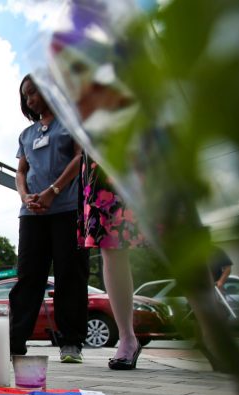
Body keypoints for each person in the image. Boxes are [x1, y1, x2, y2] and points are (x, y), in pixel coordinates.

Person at [9, 74, 89, 363]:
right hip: (32, 214)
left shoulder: (70, 123)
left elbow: (80, 157)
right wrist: (25, 196)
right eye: (25, 96)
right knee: (29, 276)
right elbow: (20, 172)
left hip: (66, 209)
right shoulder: (27, 134)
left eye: (33, 92)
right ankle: (14, 340)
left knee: (70, 274)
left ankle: (71, 343)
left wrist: (53, 191)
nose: (29, 99)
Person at [78, 156, 145, 369]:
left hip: (151, 144)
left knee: (177, 235)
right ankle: (127, 338)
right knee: (111, 242)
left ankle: (211, 330)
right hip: (102, 158)